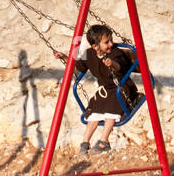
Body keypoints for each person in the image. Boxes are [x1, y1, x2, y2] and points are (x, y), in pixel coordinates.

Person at [55, 24, 137, 155]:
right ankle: (85, 142)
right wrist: (64, 57)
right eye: (106, 42)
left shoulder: (116, 52)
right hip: (105, 90)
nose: (111, 44)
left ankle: (104, 141)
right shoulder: (89, 54)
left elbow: (121, 66)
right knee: (94, 112)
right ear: (95, 46)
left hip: (122, 88)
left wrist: (112, 64)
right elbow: (78, 65)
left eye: (111, 40)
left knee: (111, 108)